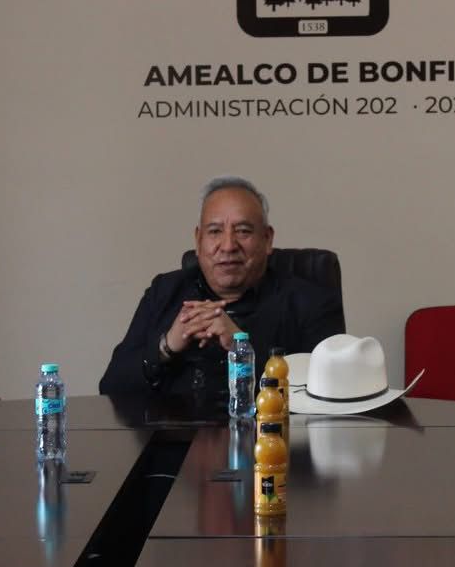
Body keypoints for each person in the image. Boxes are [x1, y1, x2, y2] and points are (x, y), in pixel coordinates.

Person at [100, 176, 344, 413]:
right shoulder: (164, 292)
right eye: (215, 231)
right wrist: (166, 346)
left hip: (269, 438)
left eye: (243, 231)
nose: (228, 246)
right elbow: (110, 388)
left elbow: (330, 399)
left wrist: (242, 348)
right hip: (173, 438)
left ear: (267, 239)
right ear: (198, 240)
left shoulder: (312, 302)